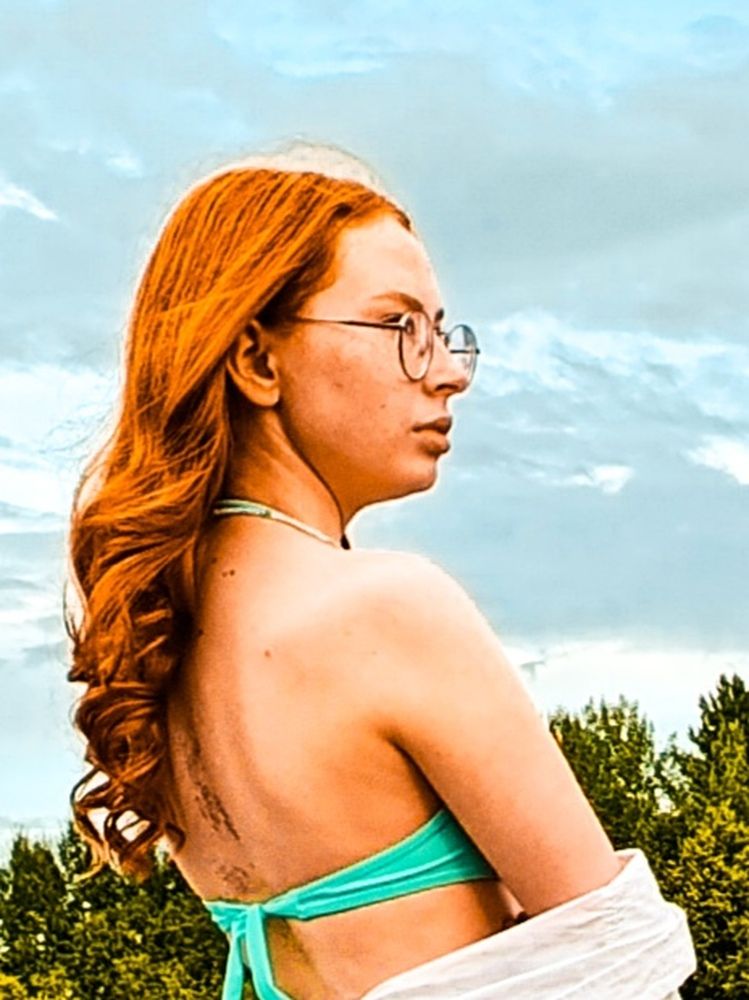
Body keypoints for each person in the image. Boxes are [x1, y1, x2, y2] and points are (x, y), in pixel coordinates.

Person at [65, 139, 696, 999]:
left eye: (444, 333)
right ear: (257, 361)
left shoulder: (160, 643)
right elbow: (617, 961)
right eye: (399, 328)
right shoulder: (385, 611)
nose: (449, 374)